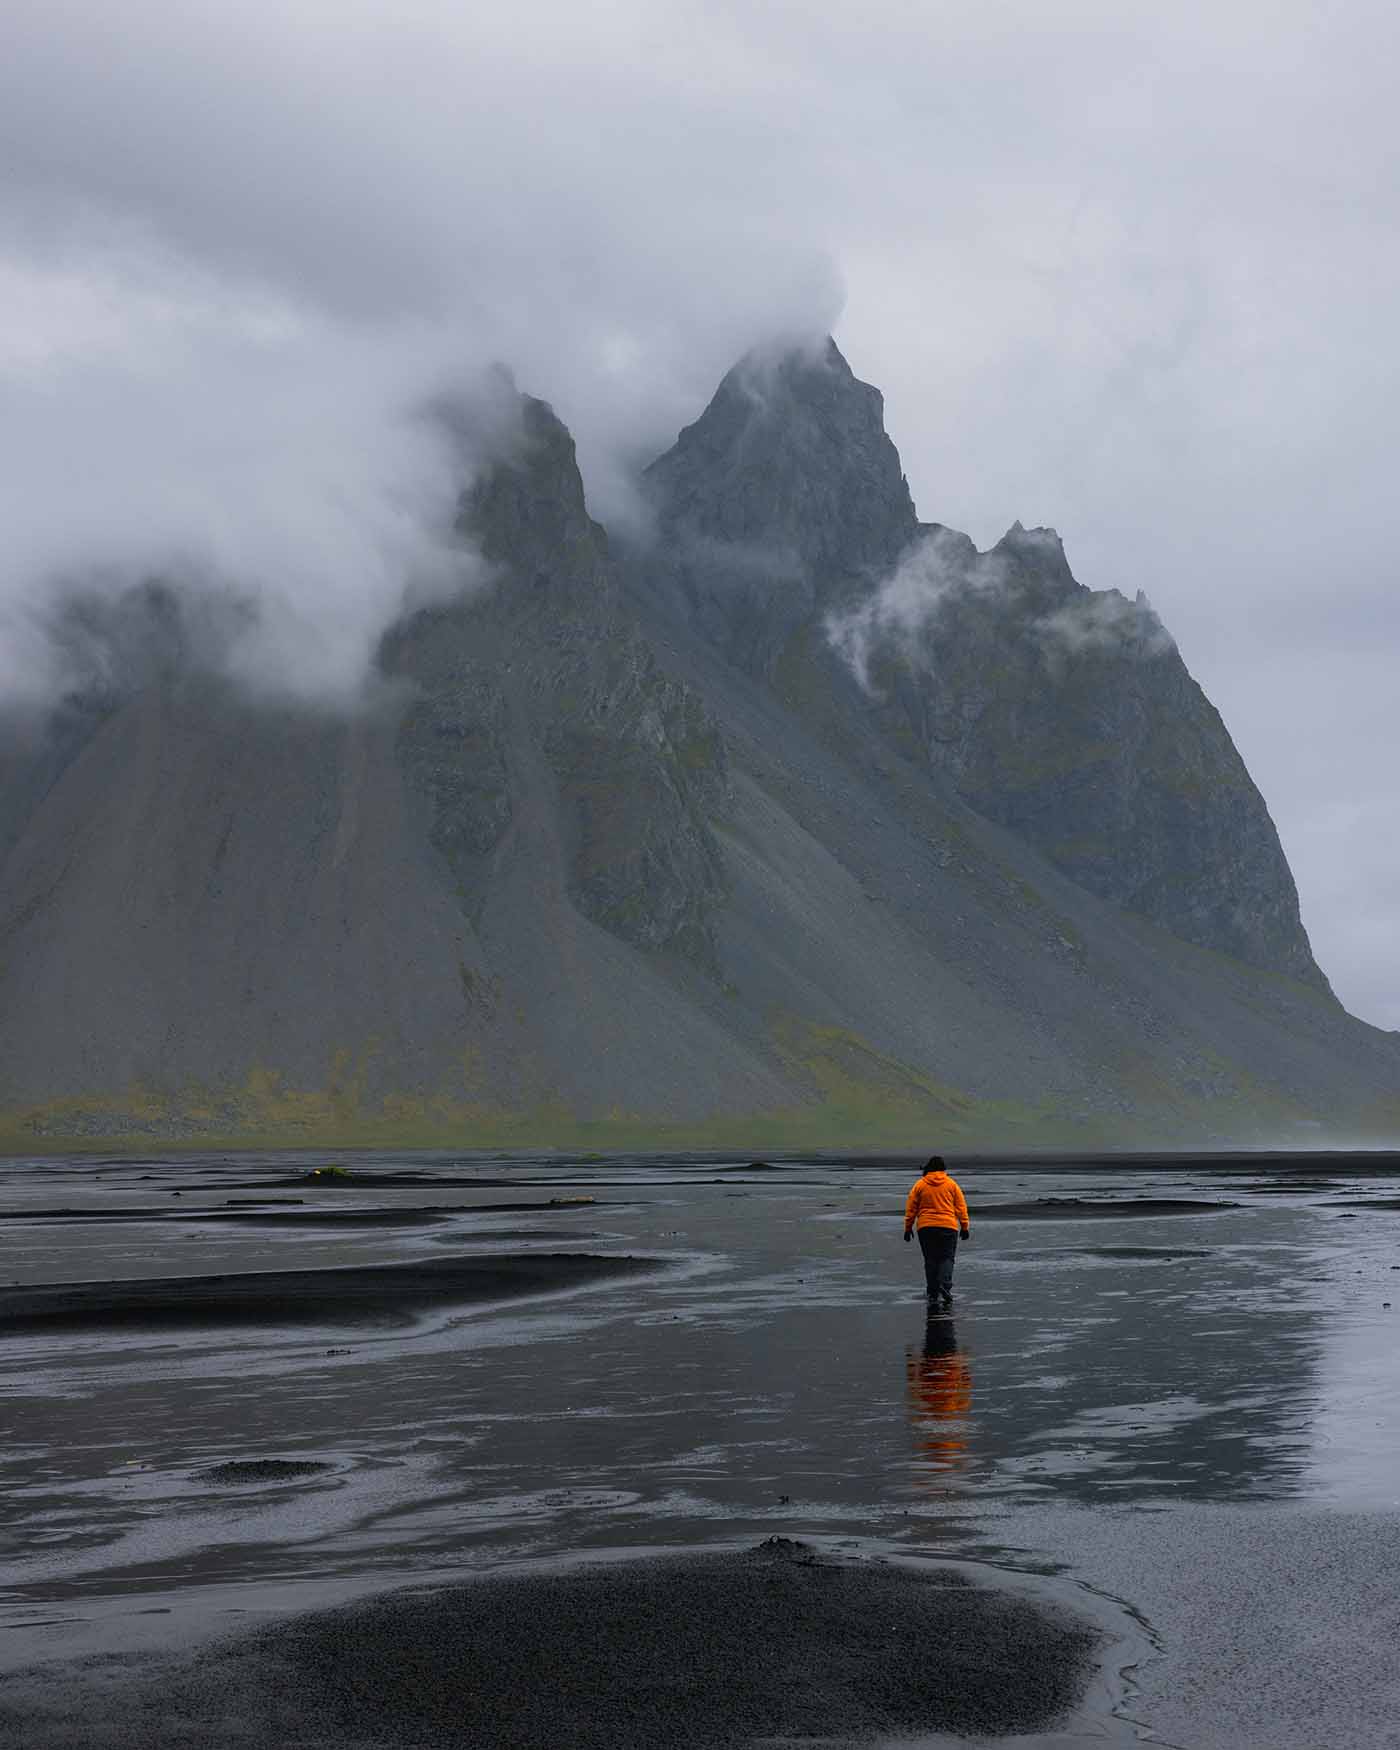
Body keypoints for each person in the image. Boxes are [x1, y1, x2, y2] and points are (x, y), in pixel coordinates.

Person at [903, 1155, 970, 1308]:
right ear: (943, 1169)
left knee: (930, 1260)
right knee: (947, 1258)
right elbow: (961, 1207)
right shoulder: (952, 1184)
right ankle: (945, 1285)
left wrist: (908, 1228)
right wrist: (965, 1227)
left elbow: (911, 1208)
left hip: (926, 1227)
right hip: (948, 1226)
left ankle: (933, 1292)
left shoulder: (920, 1185)